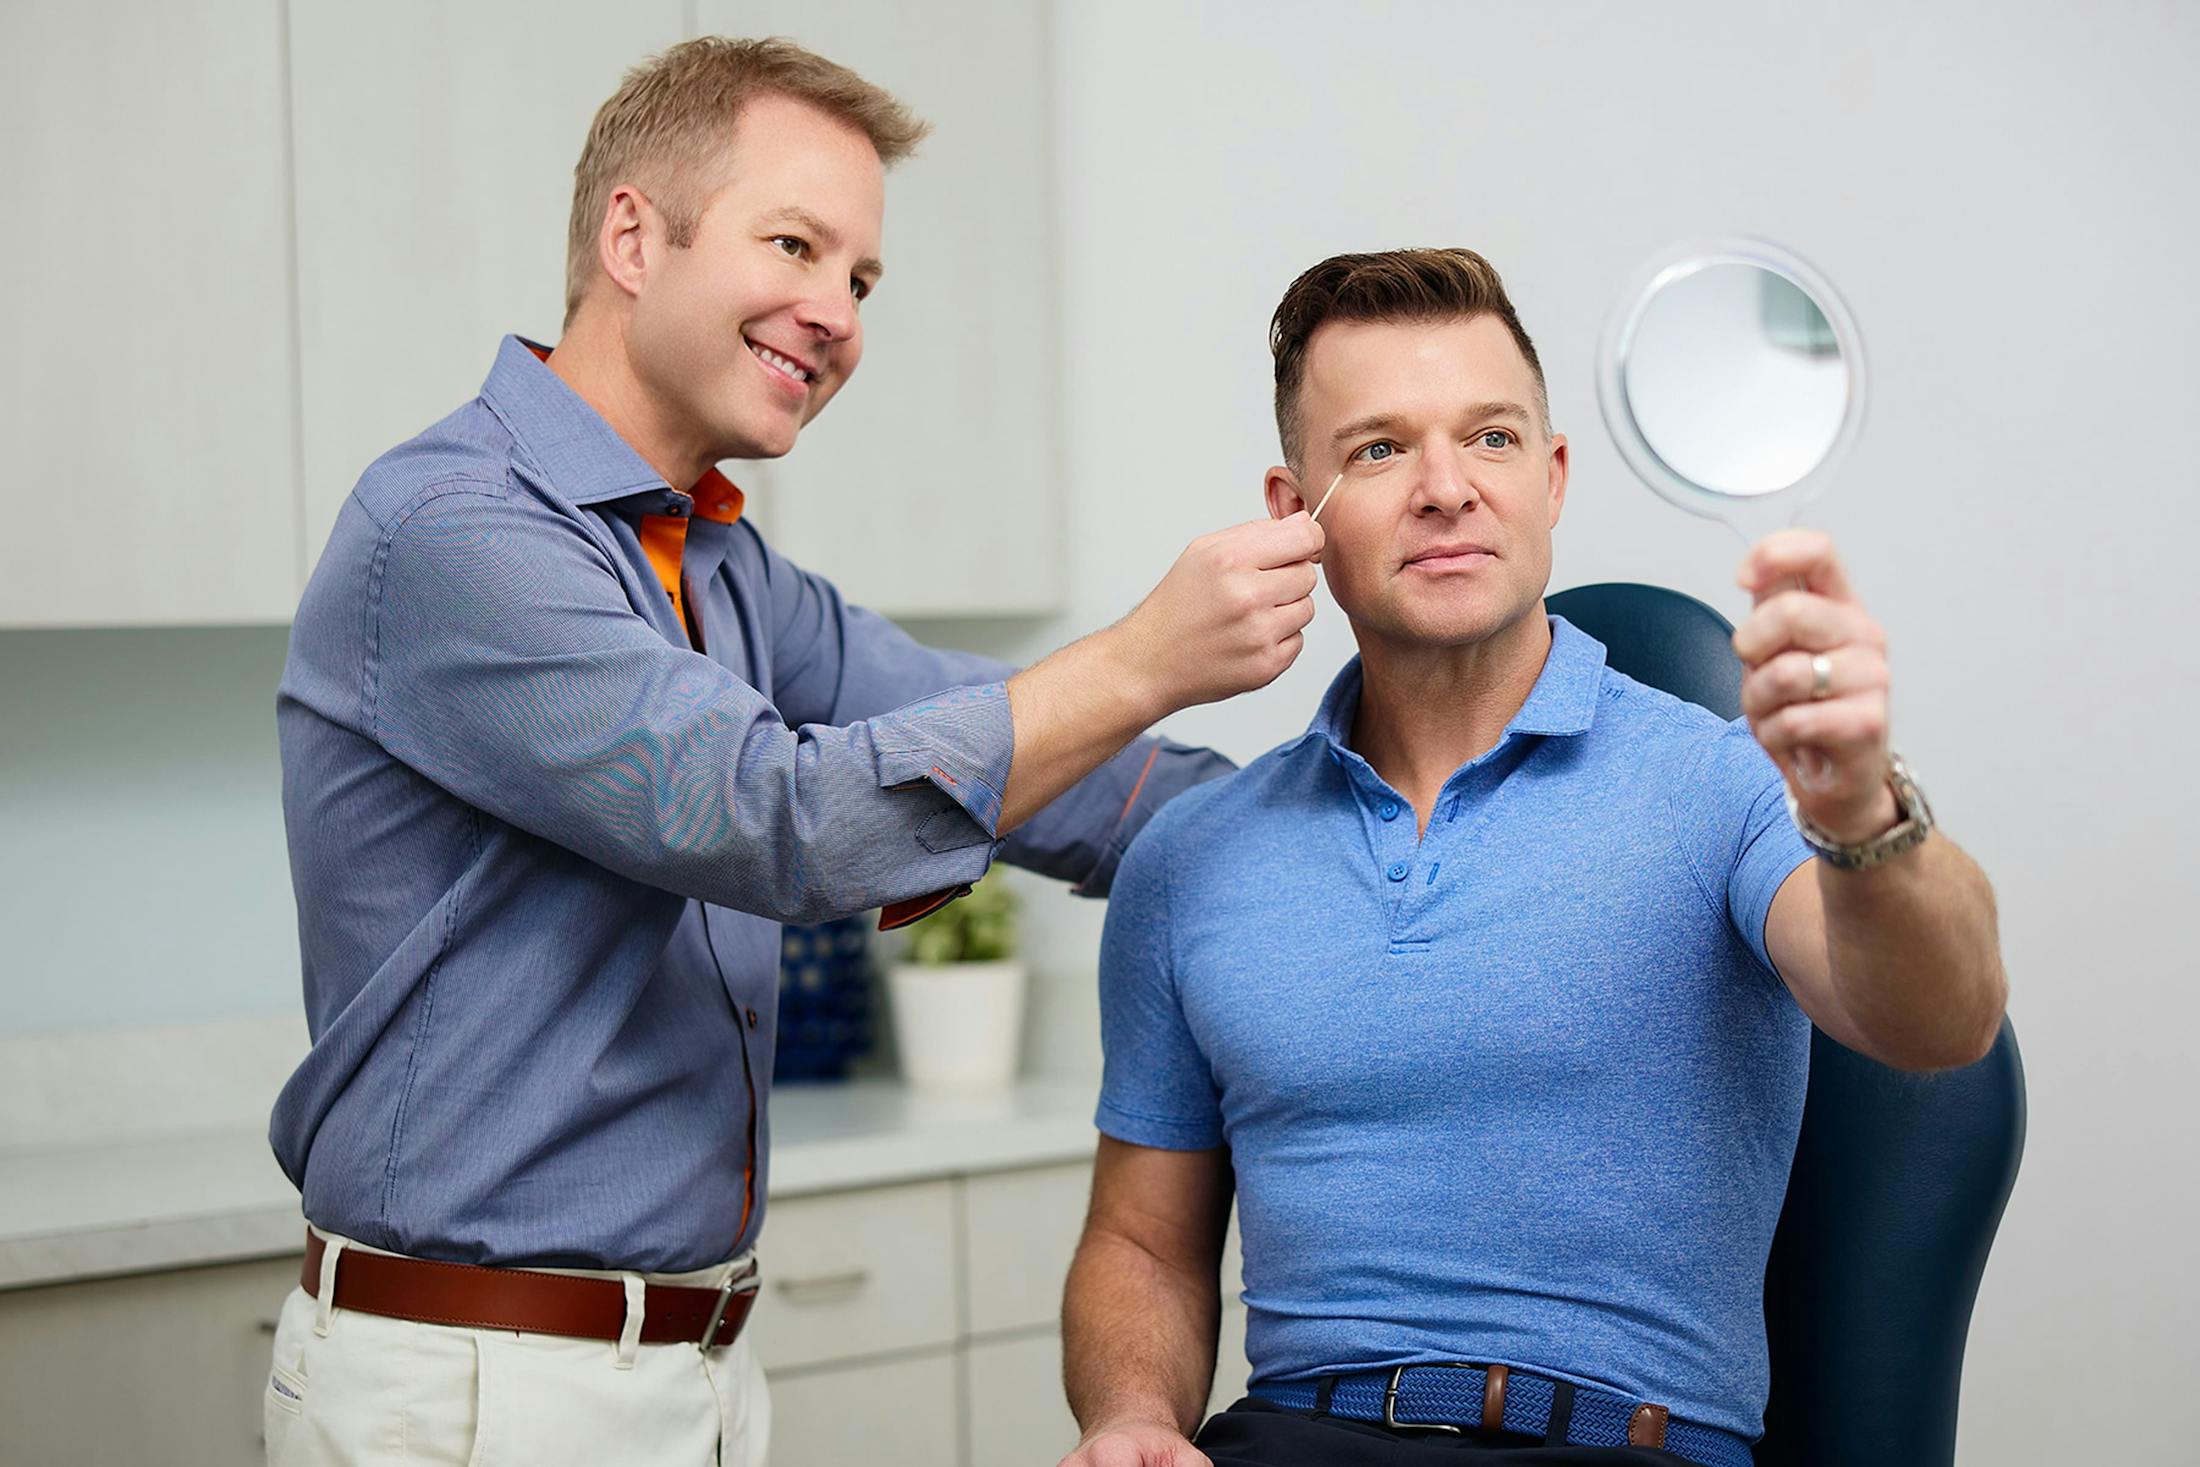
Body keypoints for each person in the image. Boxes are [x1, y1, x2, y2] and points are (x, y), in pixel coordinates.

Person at [262, 37, 1322, 1467]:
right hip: (480, 1386)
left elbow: (1058, 769)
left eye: (863, 278)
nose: (835, 311)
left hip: (687, 1365)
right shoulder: (457, 532)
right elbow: (786, 820)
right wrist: (1145, 656)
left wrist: (1396, 818)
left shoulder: (723, 569)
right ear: (633, 234)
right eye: (796, 244)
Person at [1058, 248, 2005, 1467]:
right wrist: (1129, 1414)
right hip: (1298, 1438)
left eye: (1491, 438)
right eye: (1381, 449)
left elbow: (1945, 1021)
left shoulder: (1723, 784)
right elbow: (1141, 1244)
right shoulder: (1193, 858)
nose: (1446, 488)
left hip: (1618, 1444)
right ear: (1297, 512)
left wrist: (1863, 806)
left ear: (1551, 480)